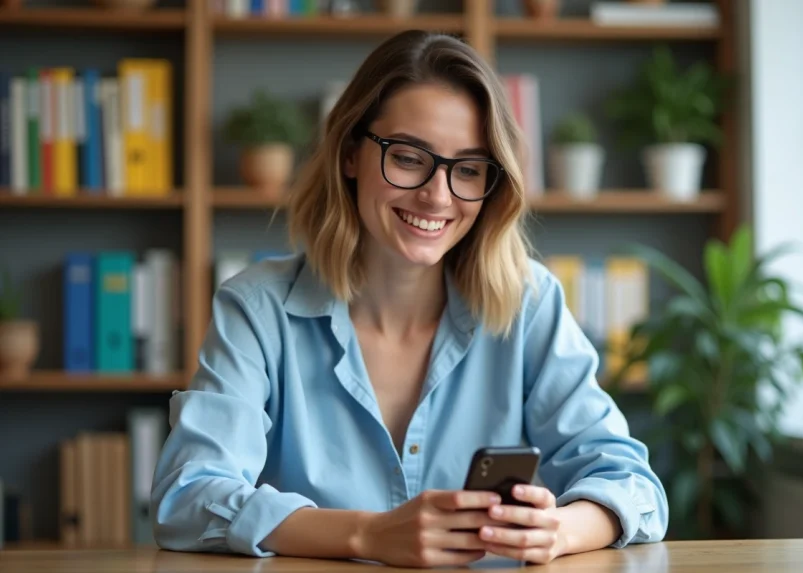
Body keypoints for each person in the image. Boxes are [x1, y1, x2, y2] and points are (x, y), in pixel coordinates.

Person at [150, 29, 668, 568]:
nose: (437, 195)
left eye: (468, 169)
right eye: (408, 157)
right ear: (351, 153)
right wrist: (366, 536)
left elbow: (632, 486)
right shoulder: (257, 310)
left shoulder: (529, 306)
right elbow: (188, 497)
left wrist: (559, 529)